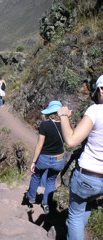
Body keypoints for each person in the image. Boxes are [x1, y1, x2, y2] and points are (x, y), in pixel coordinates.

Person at [57, 75, 103, 240]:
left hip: (87, 175)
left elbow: (71, 140)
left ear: (99, 90)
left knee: (75, 215)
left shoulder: (96, 110)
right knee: (88, 205)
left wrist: (63, 116)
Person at [26, 100, 66, 214]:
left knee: (36, 176)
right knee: (51, 180)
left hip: (44, 157)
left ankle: (31, 198)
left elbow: (39, 145)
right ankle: (46, 204)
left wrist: (33, 162)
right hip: (58, 158)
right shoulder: (65, 124)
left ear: (50, 112)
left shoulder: (45, 125)